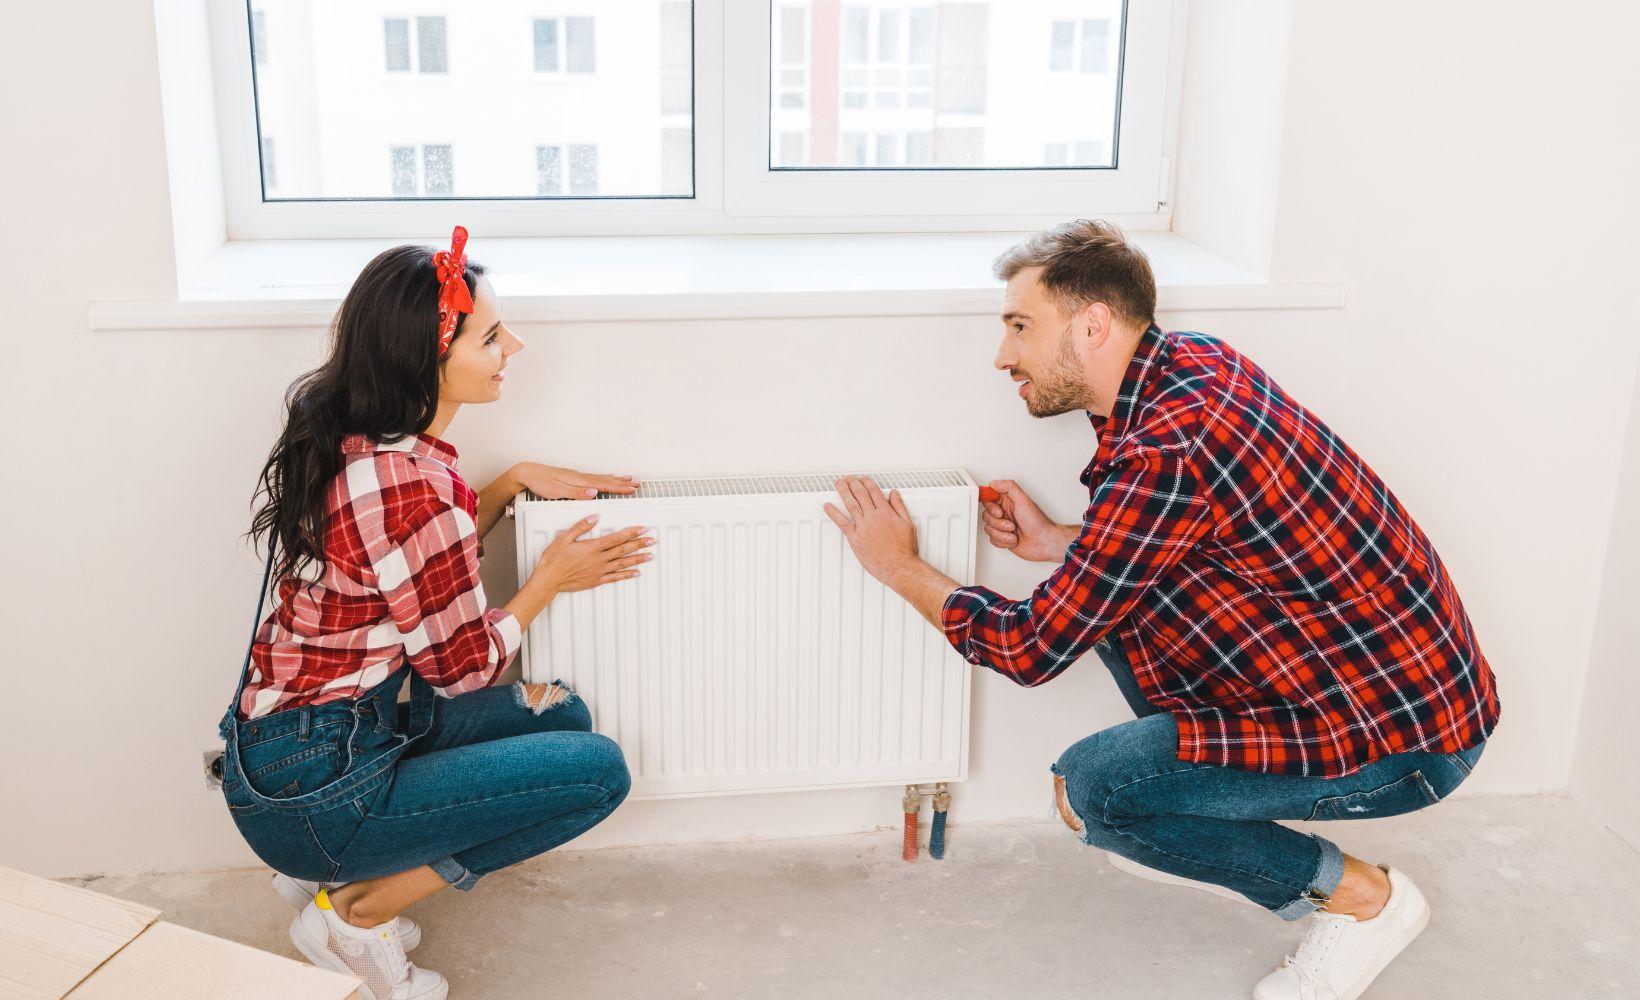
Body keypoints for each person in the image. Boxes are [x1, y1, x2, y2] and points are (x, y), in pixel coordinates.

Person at [824, 219, 1499, 1000]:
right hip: (1387, 687)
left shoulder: (1165, 450)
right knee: (1109, 605)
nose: (1003, 355)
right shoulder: (1190, 363)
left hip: (1402, 744)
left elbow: (1030, 648)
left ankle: (1366, 903)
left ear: (1094, 324)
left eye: (1019, 326)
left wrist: (898, 566)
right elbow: (1184, 544)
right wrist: (1056, 545)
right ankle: (1183, 817)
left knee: (1094, 795)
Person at [220, 227, 647, 1000]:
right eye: (490, 336)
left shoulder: (364, 445)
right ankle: (355, 910)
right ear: (427, 361)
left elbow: (406, 570)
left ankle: (338, 878)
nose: (514, 345)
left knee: (563, 717)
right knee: (598, 774)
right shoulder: (414, 489)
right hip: (318, 789)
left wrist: (510, 480)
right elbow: (463, 670)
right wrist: (550, 578)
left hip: (305, 746)